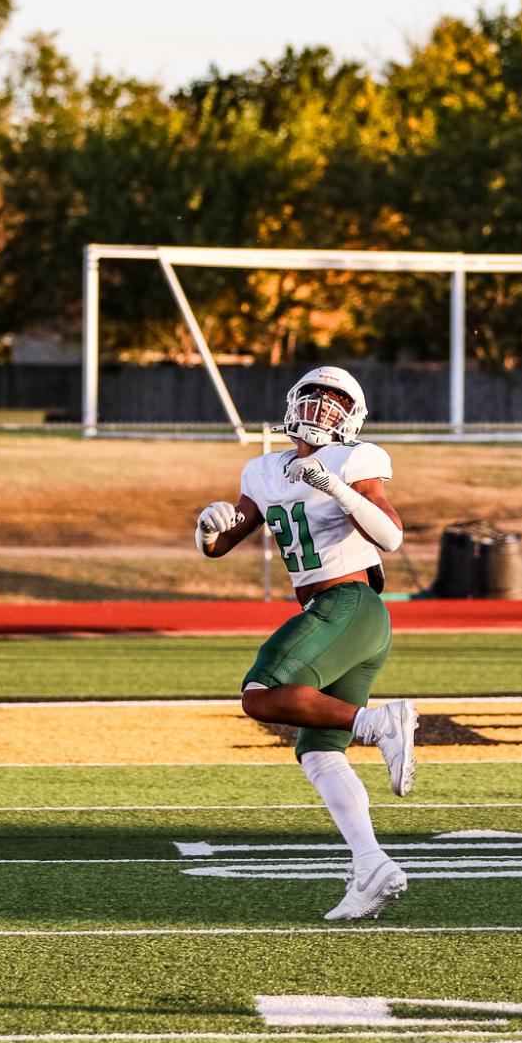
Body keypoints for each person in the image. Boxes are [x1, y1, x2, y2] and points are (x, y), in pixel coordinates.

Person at [194, 366, 417, 922]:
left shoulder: (354, 460)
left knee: (261, 692)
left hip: (348, 603)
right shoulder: (264, 469)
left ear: (353, 417)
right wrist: (208, 526)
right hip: (342, 616)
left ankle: (378, 723)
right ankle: (371, 865)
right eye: (313, 397)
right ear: (293, 402)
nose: (321, 409)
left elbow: (390, 536)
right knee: (318, 751)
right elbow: (222, 544)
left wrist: (335, 488)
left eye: (334, 401)